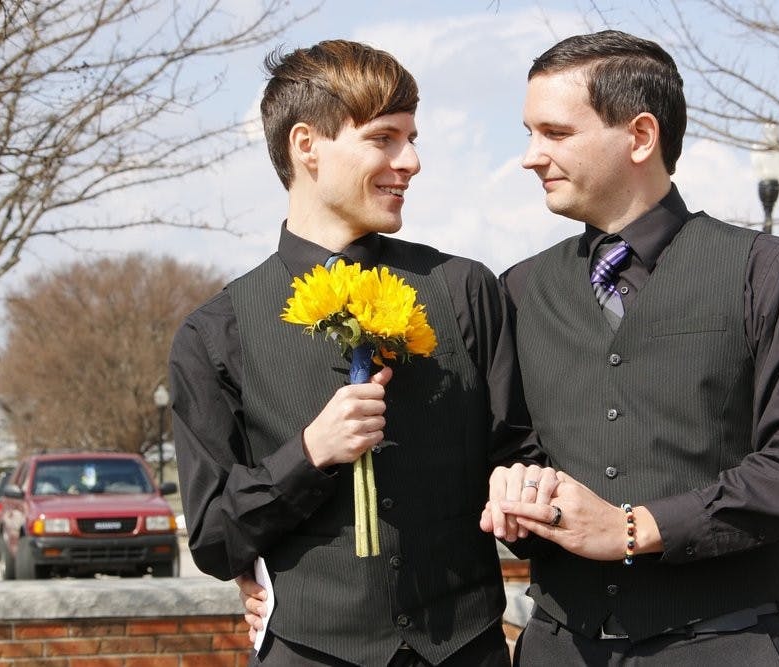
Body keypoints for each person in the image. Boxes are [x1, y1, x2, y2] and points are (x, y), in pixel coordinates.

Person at [481, 30, 779, 666]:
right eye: (528, 132)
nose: (530, 157)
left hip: (724, 645)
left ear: (641, 136)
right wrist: (517, 486)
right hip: (559, 648)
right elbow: (510, 448)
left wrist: (634, 528)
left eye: (555, 133)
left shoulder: (766, 272)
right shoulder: (518, 290)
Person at [170, 40, 539, 666]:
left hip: (465, 648)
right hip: (306, 651)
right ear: (306, 145)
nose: (412, 160)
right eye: (384, 138)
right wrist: (308, 455)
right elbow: (212, 537)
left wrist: (520, 486)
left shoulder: (465, 289)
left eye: (413, 138)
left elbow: (523, 451)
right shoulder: (214, 333)